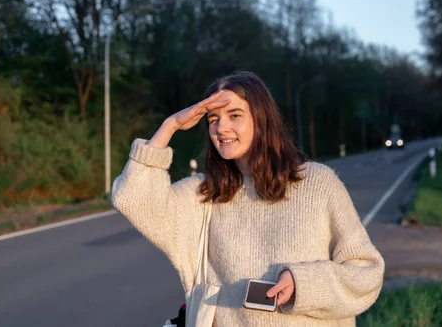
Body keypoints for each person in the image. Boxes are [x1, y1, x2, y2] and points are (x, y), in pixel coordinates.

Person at [111, 71, 385, 326]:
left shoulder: (317, 183)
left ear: (261, 119)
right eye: (213, 119)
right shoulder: (205, 195)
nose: (221, 128)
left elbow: (365, 273)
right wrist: (169, 127)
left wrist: (303, 284)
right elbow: (133, 200)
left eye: (235, 115)